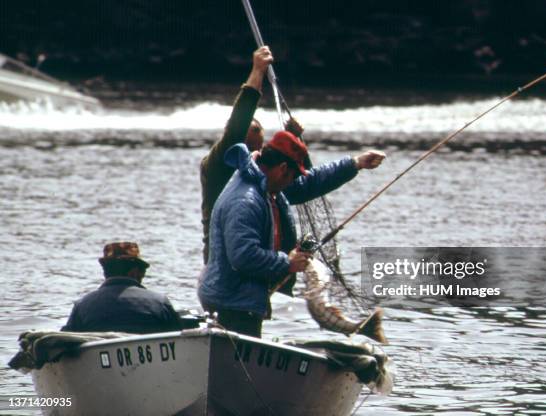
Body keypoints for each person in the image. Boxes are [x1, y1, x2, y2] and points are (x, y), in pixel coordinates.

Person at [198, 131, 386, 337]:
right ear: (282, 169)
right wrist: (287, 262)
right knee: (236, 363)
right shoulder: (245, 202)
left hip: (240, 297)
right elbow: (243, 256)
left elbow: (309, 183)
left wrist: (355, 163)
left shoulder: (267, 185)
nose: (293, 183)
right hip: (230, 302)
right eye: (293, 176)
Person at [200, 45, 303, 264]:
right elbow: (238, 123)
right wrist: (257, 72)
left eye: (260, 147)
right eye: (251, 148)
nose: (257, 154)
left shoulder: (267, 173)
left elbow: (306, 183)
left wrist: (296, 141)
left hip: (265, 262)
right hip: (225, 267)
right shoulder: (219, 164)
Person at [62, 242, 182, 334]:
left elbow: (63, 343)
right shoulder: (159, 303)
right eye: (143, 270)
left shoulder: (82, 306)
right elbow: (178, 339)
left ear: (105, 271)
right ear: (134, 272)